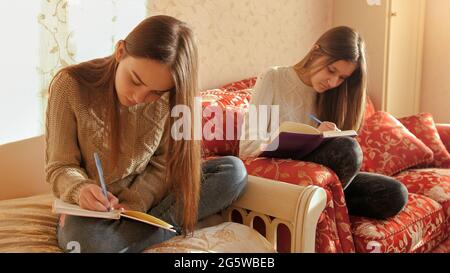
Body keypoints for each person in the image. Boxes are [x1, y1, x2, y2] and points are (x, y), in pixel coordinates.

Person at [46, 15, 247, 253]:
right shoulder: (70, 86)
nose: (139, 97)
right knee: (82, 243)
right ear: (120, 51)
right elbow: (60, 166)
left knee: (234, 172)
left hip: (148, 200)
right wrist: (81, 190)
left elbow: (165, 166)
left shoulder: (173, 97)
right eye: (135, 80)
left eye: (155, 92)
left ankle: (136, 235)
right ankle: (169, 228)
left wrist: (136, 203)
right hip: (96, 209)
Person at [239, 26, 408, 220]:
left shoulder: (331, 96)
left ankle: (320, 208)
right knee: (348, 150)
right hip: (282, 175)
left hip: (318, 180)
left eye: (342, 78)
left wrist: (328, 137)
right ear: (316, 51)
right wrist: (308, 136)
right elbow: (247, 146)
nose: (333, 82)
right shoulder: (274, 78)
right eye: (331, 70)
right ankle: (316, 210)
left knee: (395, 194)